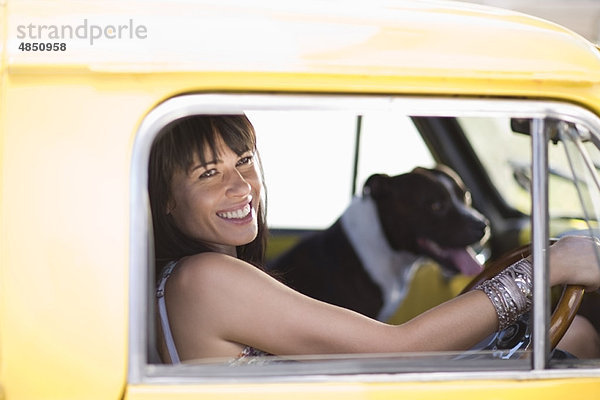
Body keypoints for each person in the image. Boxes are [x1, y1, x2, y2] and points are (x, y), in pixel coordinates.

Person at [148, 114, 600, 364]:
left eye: (244, 161)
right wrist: (547, 268)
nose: (242, 186)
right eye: (209, 174)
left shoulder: (191, 278)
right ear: (166, 198)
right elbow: (396, 348)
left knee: (567, 336)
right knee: (573, 340)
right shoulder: (204, 279)